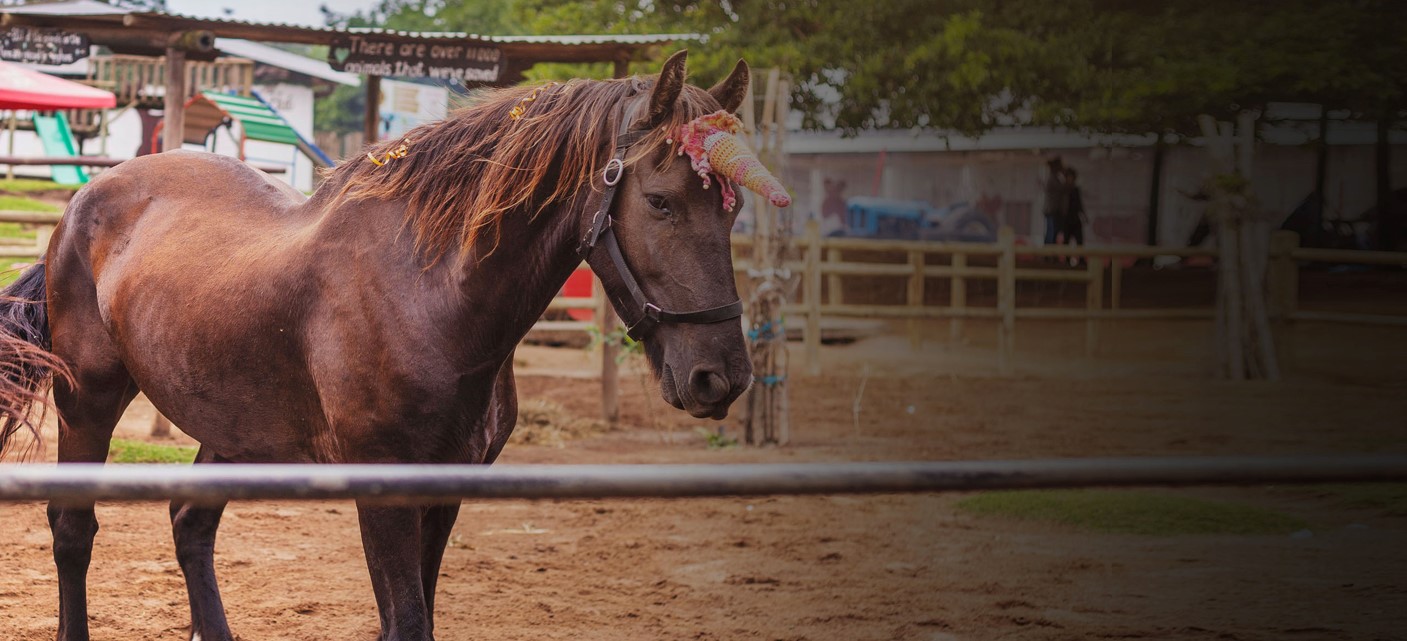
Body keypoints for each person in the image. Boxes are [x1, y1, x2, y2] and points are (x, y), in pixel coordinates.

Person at [1042, 157, 1068, 245]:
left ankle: (1050, 254)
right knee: (1051, 232)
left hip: (1054, 210)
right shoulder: (1052, 179)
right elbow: (1064, 189)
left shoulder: (1055, 178)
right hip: (1051, 210)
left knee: (1053, 232)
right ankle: (1048, 254)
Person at [1062, 166, 1087, 248]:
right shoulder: (1063, 189)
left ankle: (1081, 259)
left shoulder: (1076, 189)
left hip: (1075, 218)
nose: (1070, 179)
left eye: (1071, 177)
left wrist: (1084, 215)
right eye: (1068, 177)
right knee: (1066, 241)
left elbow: (1079, 204)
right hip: (1066, 219)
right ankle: (1066, 259)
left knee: (1079, 240)